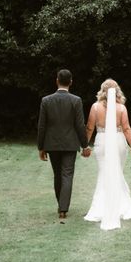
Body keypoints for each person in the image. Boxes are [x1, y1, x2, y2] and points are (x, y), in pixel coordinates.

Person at [84, 78, 131, 230]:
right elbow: (127, 129)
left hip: (101, 142)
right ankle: (121, 206)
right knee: (117, 173)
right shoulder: (121, 108)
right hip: (119, 141)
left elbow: (89, 128)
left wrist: (84, 146)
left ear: (102, 91)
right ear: (117, 91)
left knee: (104, 173)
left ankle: (101, 208)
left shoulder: (95, 107)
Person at [37, 69, 91, 221]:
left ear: (57, 81)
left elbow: (41, 126)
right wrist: (85, 145)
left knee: (58, 175)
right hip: (70, 144)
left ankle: (61, 206)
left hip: (52, 144)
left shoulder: (46, 100)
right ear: (71, 82)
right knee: (67, 174)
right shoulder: (76, 100)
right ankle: (63, 209)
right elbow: (80, 125)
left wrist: (41, 147)